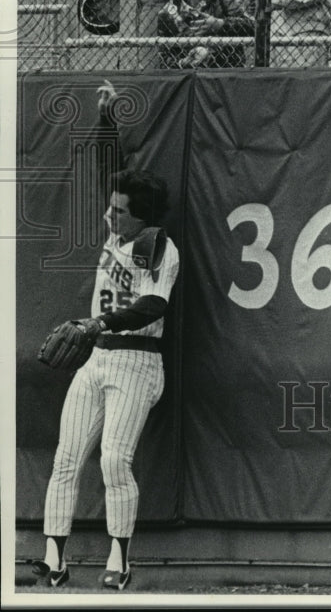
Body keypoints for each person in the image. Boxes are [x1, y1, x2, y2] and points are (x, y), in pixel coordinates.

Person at [33, 82, 179, 591]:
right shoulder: (119, 234)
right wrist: (106, 122)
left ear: (143, 215)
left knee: (115, 459)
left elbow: (153, 305)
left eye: (119, 211)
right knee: (66, 457)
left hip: (138, 364)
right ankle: (54, 559)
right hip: (96, 360)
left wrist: (99, 323)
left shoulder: (160, 248)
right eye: (112, 208)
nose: (108, 214)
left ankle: (121, 560)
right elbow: (109, 176)